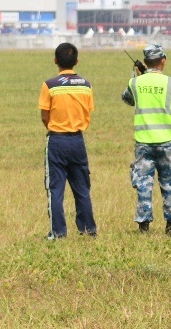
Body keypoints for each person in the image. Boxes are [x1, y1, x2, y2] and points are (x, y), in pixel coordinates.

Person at [121, 43, 171, 236]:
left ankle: (143, 227)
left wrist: (139, 76)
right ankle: (170, 227)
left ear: (144, 62)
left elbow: (127, 99)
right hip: (168, 141)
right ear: (163, 61)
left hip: (143, 141)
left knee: (143, 183)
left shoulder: (136, 82)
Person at [39, 42, 96, 240]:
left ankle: (58, 232)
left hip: (57, 141)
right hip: (78, 141)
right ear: (77, 61)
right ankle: (88, 231)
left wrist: (56, 128)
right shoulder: (86, 85)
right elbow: (88, 111)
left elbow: (45, 116)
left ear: (55, 61)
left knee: (55, 189)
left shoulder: (50, 85)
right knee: (82, 189)